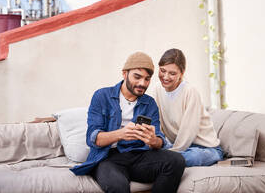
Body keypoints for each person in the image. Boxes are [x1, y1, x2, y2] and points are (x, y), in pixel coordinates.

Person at [70, 52, 185, 193]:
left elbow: (160, 140)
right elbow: (93, 139)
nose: (142, 83)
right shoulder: (102, 96)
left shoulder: (149, 103)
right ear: (124, 74)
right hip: (108, 158)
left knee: (176, 160)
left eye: (147, 79)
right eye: (137, 77)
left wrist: (153, 140)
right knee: (118, 186)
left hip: (139, 156)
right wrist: (121, 134)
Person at [153, 48, 223, 167]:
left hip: (206, 149)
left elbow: (188, 131)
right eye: (162, 71)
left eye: (172, 73)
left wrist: (172, 155)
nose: (165, 77)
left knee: (192, 157)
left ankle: (169, 160)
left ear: (182, 73)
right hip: (178, 147)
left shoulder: (190, 92)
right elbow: (157, 122)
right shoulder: (157, 89)